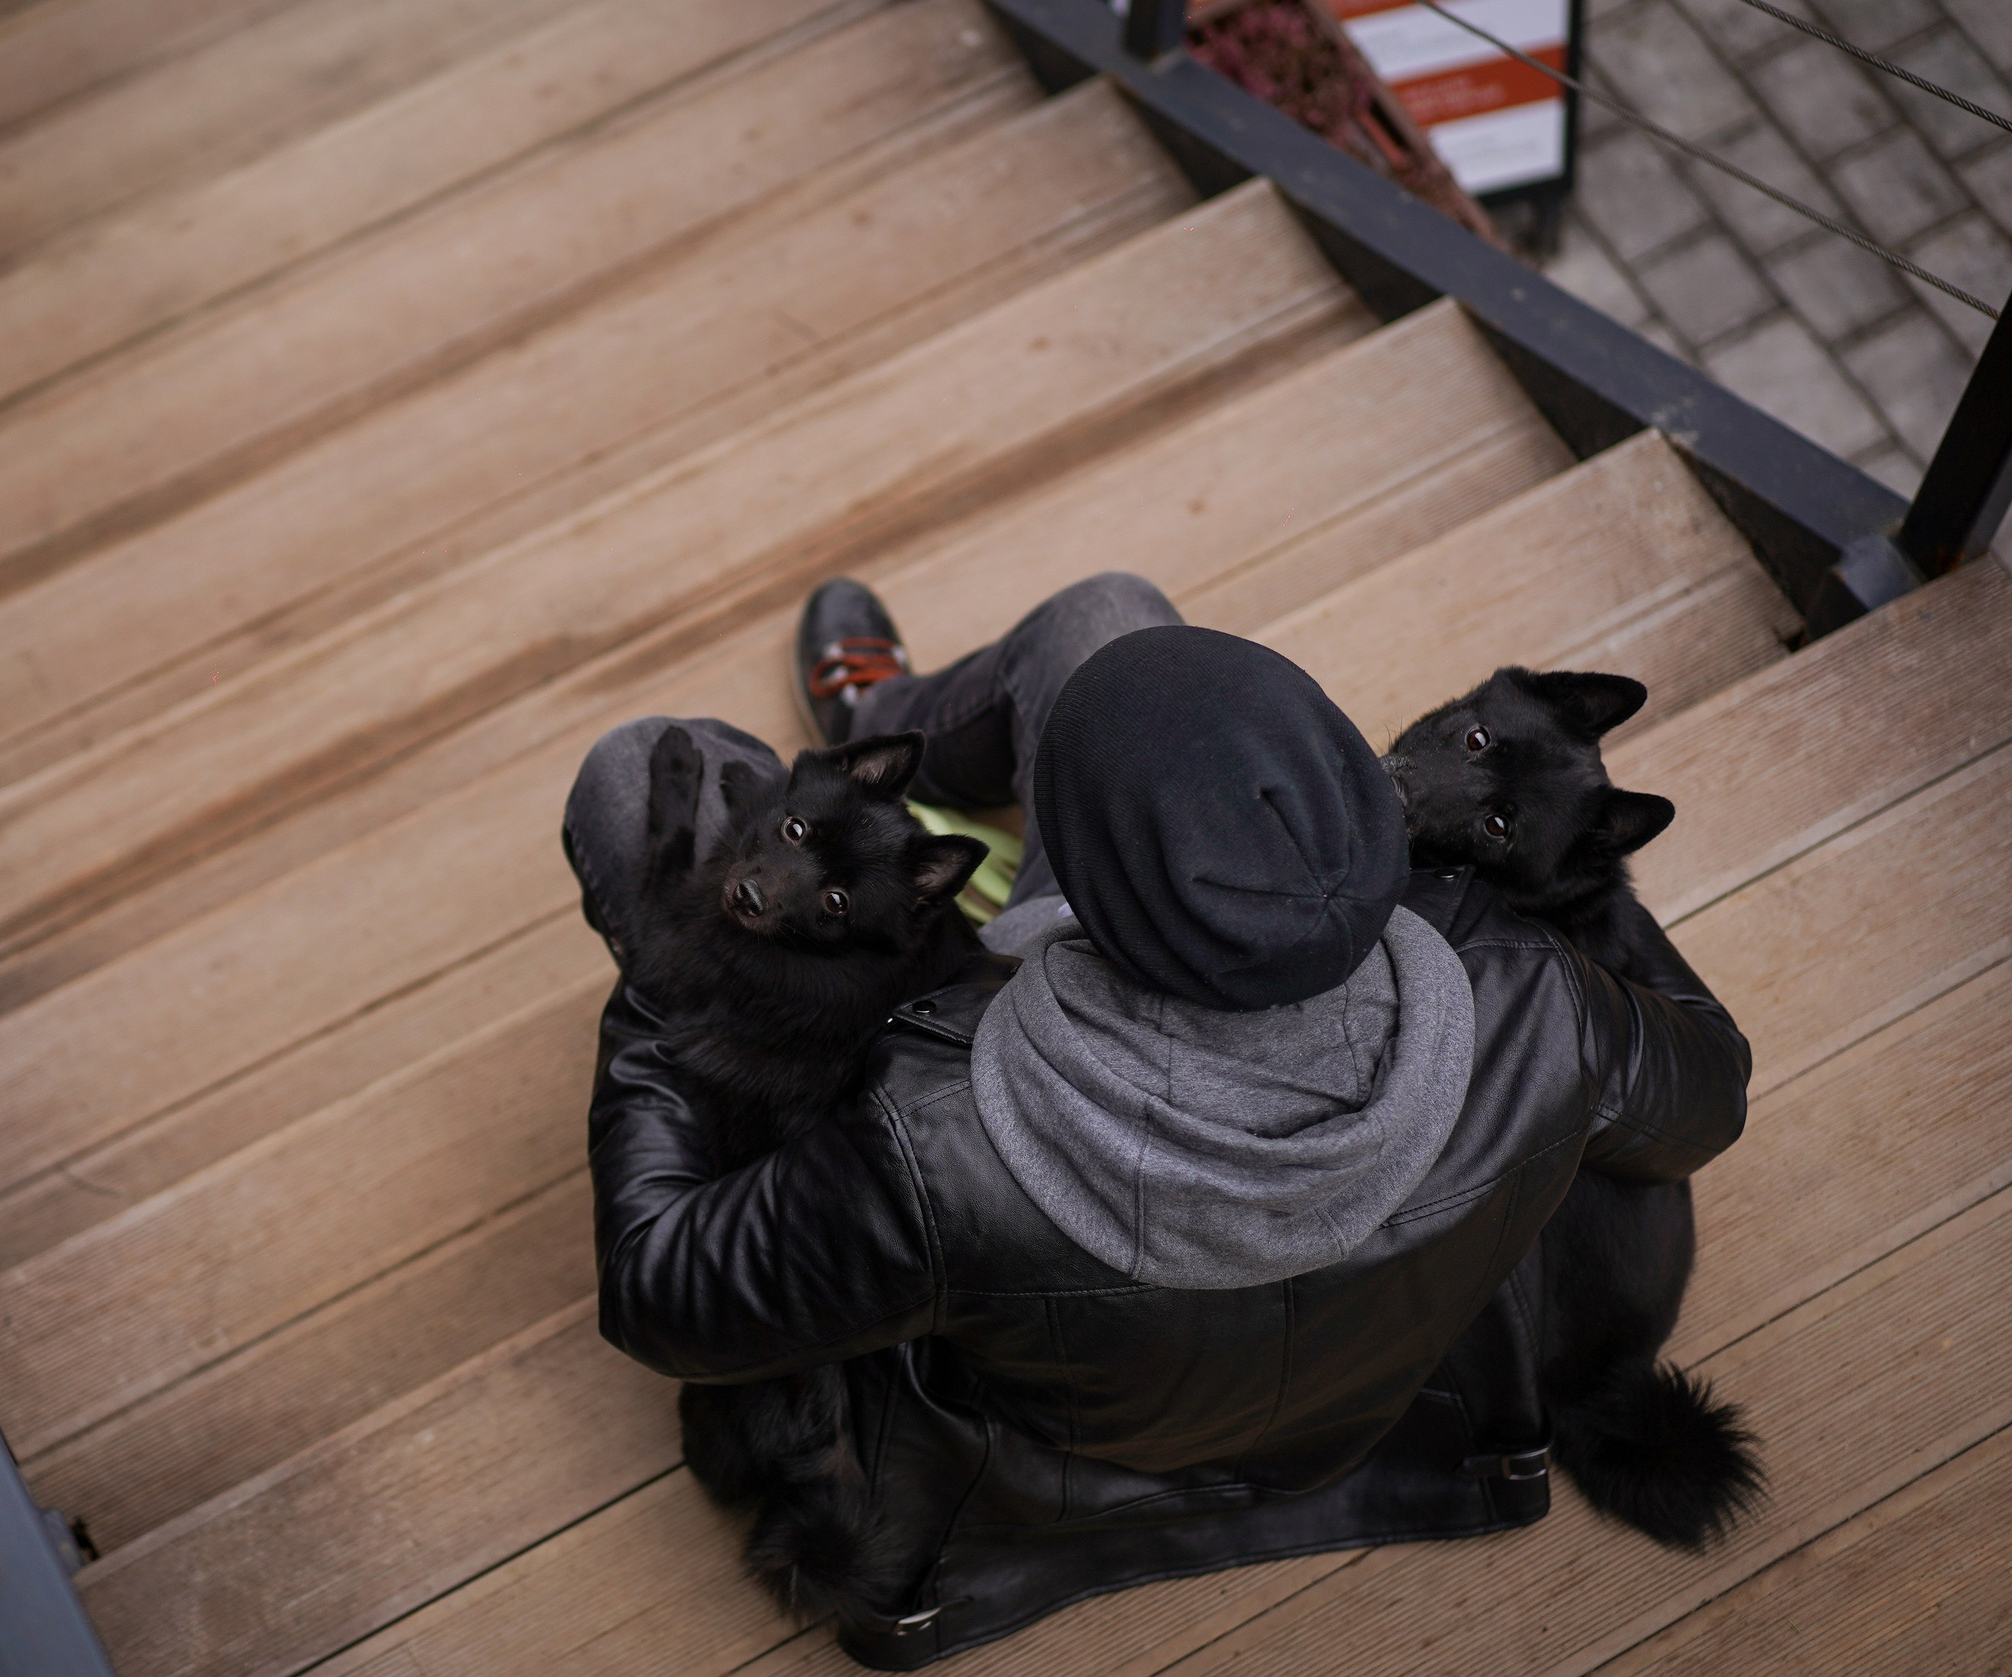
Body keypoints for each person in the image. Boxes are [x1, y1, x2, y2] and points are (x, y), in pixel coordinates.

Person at [563, 574, 1749, 1669]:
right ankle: (877, 720)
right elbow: (1711, 1095)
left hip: (1042, 1467)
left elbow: (657, 1289)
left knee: (639, 772)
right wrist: (1557, 889)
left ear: (1068, 896)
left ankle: (879, 752)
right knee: (1114, 618)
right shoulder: (1536, 993)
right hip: (1372, 1408)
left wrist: (674, 983)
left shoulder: (927, 1129)